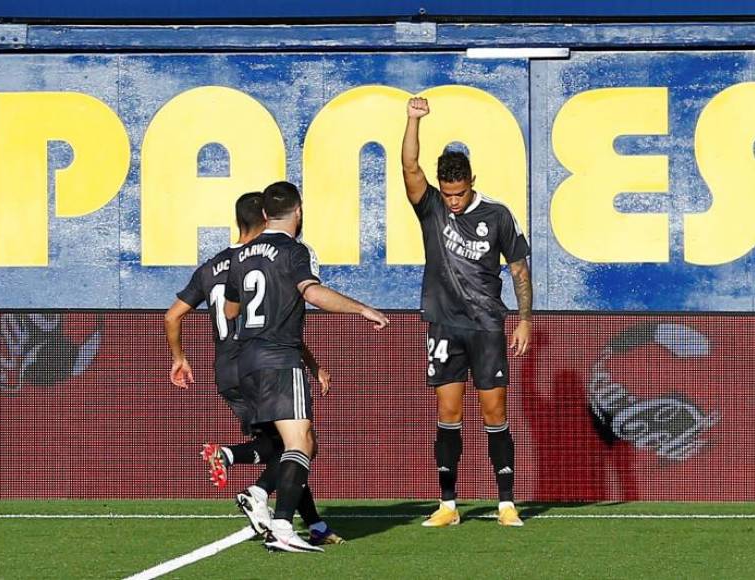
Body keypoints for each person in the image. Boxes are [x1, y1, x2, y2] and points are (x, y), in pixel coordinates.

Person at [164, 191, 344, 548]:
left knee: (287, 444)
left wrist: (179, 358)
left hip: (228, 371)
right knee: (299, 443)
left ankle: (311, 521)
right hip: (263, 361)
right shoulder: (265, 259)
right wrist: (312, 363)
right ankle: (261, 493)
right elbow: (274, 322)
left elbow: (172, 315)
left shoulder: (211, 266)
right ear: (266, 219)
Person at [224, 181, 390, 553]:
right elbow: (312, 293)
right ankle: (281, 523)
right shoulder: (294, 251)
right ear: (298, 212)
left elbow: (230, 310)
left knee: (300, 444)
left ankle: (261, 493)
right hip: (280, 359)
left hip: (245, 362)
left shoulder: (241, 255)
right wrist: (362, 308)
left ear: (264, 215)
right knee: (300, 442)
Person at [401, 96, 533, 528]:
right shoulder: (433, 208)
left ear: (472, 183)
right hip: (443, 324)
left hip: (487, 326)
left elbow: (518, 268)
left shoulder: (497, 215)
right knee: (448, 413)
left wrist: (525, 319)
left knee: (494, 413)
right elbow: (410, 168)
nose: (453, 201)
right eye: (448, 193)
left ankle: (507, 502)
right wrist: (412, 121)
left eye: (459, 193)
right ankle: (448, 505)